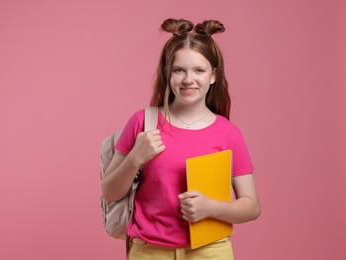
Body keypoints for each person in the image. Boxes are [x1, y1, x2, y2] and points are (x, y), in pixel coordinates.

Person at [101, 18, 261, 259]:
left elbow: (252, 206)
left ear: (213, 75)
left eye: (199, 70)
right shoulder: (142, 122)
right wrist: (135, 157)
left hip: (210, 251)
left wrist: (211, 207)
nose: (189, 79)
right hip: (149, 251)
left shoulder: (229, 133)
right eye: (179, 70)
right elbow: (109, 192)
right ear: (168, 73)